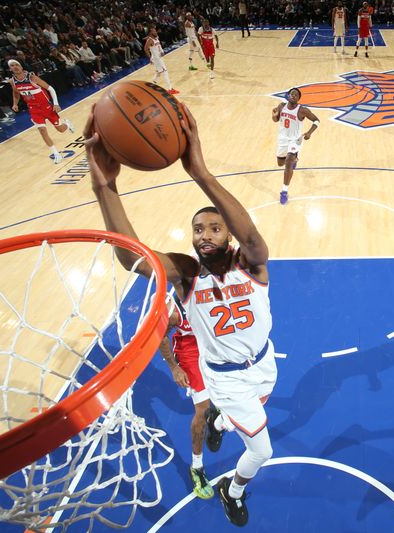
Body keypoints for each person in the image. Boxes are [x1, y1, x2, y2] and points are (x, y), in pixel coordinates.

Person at [86, 103, 276, 527]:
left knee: (248, 412)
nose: (204, 235)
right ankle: (234, 488)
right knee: (262, 451)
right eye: (197, 230)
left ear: (228, 234)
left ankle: (220, 419)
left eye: (214, 228)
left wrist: (201, 172)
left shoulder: (253, 263)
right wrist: (105, 187)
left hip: (264, 363)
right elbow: (133, 260)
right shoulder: (187, 275)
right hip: (224, 377)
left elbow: (251, 236)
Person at [157, 295, 215, 500]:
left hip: (216, 344)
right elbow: (160, 336)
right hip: (192, 352)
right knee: (203, 409)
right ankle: (197, 467)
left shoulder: (218, 287)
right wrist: (174, 368)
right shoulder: (173, 311)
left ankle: (217, 424)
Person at [8, 59, 75, 164]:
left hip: (46, 107)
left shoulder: (32, 77)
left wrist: (56, 103)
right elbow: (16, 93)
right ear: (10, 68)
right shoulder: (12, 81)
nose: (15, 67)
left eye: (17, 65)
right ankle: (56, 154)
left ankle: (66, 123)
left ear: (21, 67)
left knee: (61, 129)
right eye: (12, 65)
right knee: (42, 131)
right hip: (34, 109)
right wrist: (15, 103)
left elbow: (51, 88)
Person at [272, 87, 320, 205]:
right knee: (280, 163)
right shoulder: (281, 106)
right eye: (292, 94)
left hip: (295, 140)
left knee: (288, 162)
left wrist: (309, 133)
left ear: (298, 99)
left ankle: (284, 191)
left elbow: (316, 120)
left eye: (296, 95)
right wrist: (274, 115)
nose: (293, 96)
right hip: (283, 139)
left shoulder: (303, 110)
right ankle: (295, 159)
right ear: (288, 95)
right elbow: (276, 120)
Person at [144, 26, 179, 95]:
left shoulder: (156, 37)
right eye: (153, 31)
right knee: (165, 71)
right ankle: (170, 89)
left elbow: (159, 46)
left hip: (159, 57)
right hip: (156, 59)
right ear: (150, 33)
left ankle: (152, 85)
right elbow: (145, 49)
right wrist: (150, 58)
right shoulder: (150, 40)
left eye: (155, 30)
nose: (155, 32)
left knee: (158, 72)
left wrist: (162, 51)